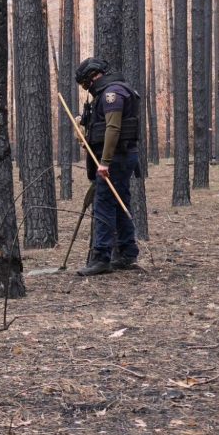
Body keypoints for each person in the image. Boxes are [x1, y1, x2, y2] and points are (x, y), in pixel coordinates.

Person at [74, 58, 140, 276]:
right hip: (118, 157)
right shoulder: (108, 93)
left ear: (94, 77)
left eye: (85, 84)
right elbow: (102, 124)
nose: (87, 89)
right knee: (119, 202)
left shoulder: (113, 94)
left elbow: (113, 128)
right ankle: (127, 252)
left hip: (116, 158)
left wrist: (105, 163)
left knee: (104, 203)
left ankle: (102, 257)